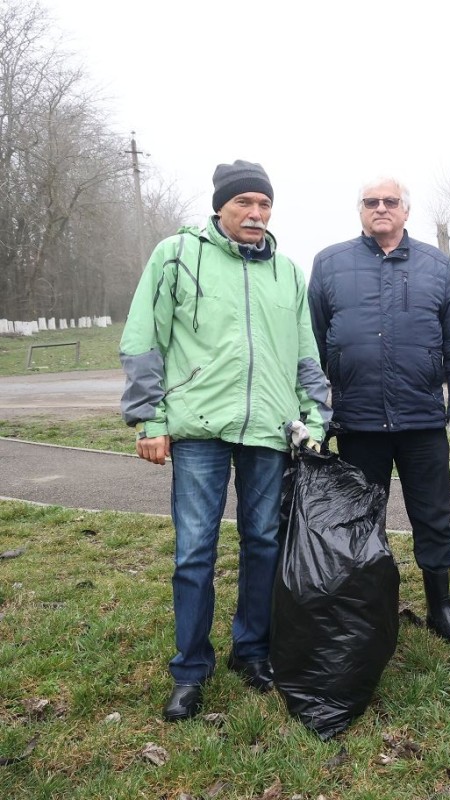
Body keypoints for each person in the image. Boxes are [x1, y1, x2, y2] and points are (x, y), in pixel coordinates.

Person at [120, 160, 331, 721]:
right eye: (244, 204)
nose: (256, 214)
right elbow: (144, 337)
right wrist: (149, 418)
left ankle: (252, 650)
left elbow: (305, 351)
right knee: (195, 552)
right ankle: (190, 670)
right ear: (221, 207)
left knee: (263, 542)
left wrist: (316, 414)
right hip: (198, 430)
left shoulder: (286, 271)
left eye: (264, 205)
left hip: (269, 429)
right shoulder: (176, 255)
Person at [308, 176, 450, 648]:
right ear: (359, 210)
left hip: (421, 420)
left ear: (406, 210)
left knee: (433, 516)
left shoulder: (436, 266)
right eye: (371, 202)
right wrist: (312, 408)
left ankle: (440, 607)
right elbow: (312, 342)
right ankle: (368, 605)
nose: (380, 208)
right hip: (358, 421)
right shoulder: (330, 264)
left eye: (390, 202)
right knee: (363, 517)